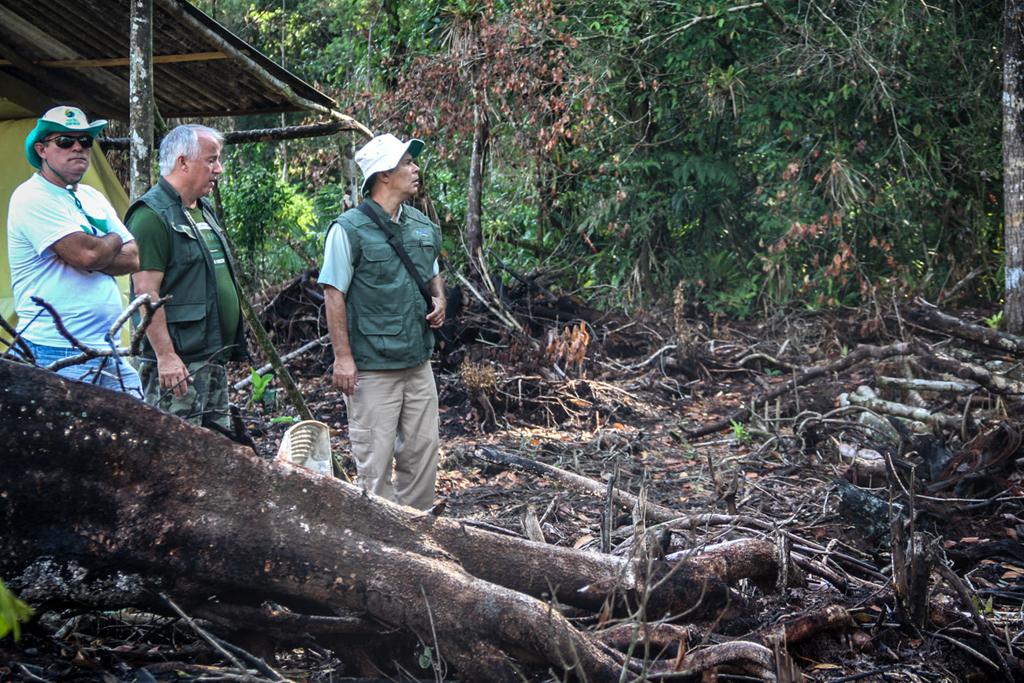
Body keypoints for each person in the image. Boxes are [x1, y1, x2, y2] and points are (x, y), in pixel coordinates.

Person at [321, 134, 446, 509]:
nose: (415, 169)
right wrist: (343, 358)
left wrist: (439, 299)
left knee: (423, 455)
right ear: (383, 175)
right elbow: (333, 292)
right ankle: (382, 544)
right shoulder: (349, 229)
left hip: (417, 362)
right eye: (407, 163)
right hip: (373, 367)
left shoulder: (421, 225)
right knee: (374, 466)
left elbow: (431, 270)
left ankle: (419, 536)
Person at [7, 105, 142, 395]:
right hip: (54, 351)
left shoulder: (92, 196)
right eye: (65, 141)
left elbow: (133, 257)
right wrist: (111, 240)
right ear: (42, 150)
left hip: (108, 350)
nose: (77, 148)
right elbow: (87, 254)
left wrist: (95, 251)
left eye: (85, 141)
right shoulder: (32, 197)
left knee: (136, 427)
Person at [125, 124, 245, 431]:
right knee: (174, 454)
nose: (218, 169)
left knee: (217, 450)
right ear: (183, 162)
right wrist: (166, 356)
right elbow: (146, 291)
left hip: (210, 356)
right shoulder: (151, 215)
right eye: (211, 160)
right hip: (177, 366)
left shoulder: (202, 210)